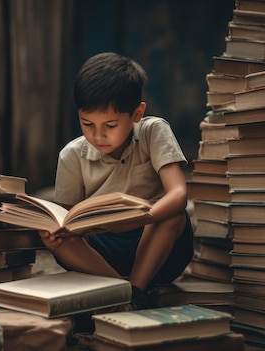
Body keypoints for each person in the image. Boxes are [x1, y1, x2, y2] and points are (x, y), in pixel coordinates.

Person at [39, 52, 194, 311]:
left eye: (110, 125)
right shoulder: (71, 155)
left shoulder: (153, 131)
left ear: (137, 113)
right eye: (87, 123)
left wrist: (140, 218)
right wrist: (61, 230)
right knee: (53, 235)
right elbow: (66, 218)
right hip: (102, 253)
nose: (97, 135)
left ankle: (136, 289)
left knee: (174, 214)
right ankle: (122, 293)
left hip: (156, 247)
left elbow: (178, 194)